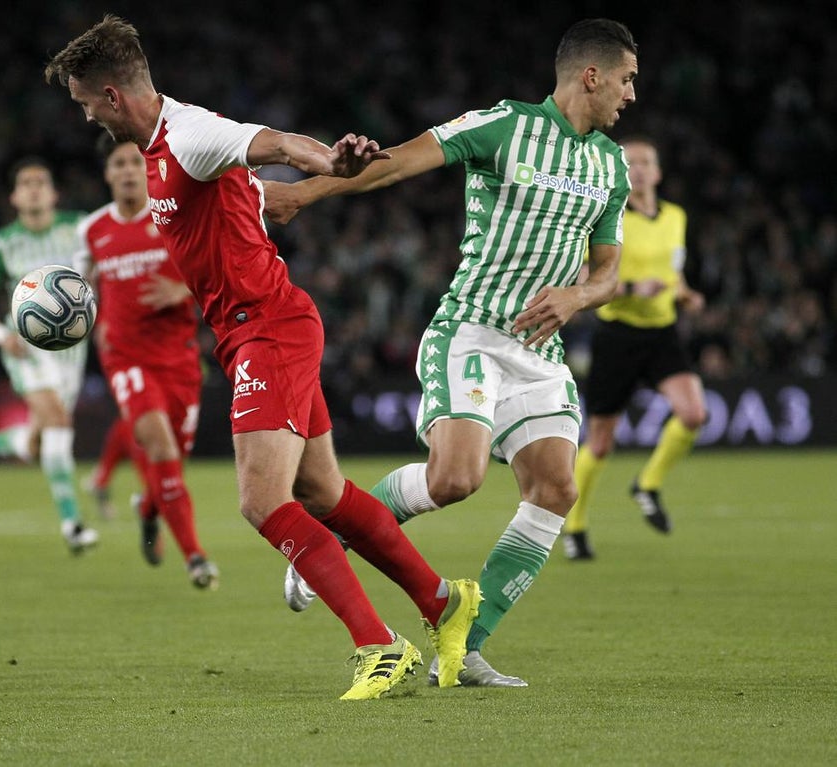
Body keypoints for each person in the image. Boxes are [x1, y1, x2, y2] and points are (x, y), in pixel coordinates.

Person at [45, 14, 481, 700]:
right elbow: (268, 197)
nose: (84, 118)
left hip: (268, 329)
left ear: (111, 95)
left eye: (83, 104)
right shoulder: (165, 153)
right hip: (262, 329)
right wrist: (298, 192)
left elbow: (274, 142)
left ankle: (378, 644)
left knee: (259, 498)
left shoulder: (189, 134)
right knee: (324, 494)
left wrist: (327, 160)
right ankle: (443, 602)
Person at [265, 18, 638, 687]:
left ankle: (463, 648)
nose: (631, 95)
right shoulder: (504, 126)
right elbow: (398, 162)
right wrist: (300, 193)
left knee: (555, 488)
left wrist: (578, 298)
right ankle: (333, 537)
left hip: (541, 349)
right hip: (471, 331)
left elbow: (609, 271)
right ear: (593, 75)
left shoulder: (610, 165)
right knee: (455, 479)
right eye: (627, 79)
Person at [74, 133, 217, 588]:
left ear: (147, 168)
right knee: (160, 448)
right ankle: (196, 558)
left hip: (179, 359)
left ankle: (148, 509)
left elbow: (213, 268)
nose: (128, 171)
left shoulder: (172, 214)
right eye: (118, 164)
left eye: (135, 162)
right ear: (108, 174)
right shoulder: (93, 230)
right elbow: (79, 292)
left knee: (171, 464)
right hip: (125, 358)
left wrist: (182, 290)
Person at [562, 136, 707, 560]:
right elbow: (585, 275)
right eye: (631, 162)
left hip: (662, 333)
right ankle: (575, 525)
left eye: (646, 162)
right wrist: (630, 288)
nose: (639, 169)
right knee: (601, 443)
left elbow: (672, 271)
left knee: (694, 413)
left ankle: (647, 484)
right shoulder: (609, 218)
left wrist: (685, 294)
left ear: (658, 172)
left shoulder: (676, 217)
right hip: (618, 335)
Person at [0, 158, 98, 554]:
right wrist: (0, 334)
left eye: (41, 182)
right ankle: (73, 524)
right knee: (58, 419)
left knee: (38, 443)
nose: (34, 188)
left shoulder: (81, 228)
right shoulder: (1, 243)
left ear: (54, 194)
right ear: (15, 196)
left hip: (71, 350)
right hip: (24, 348)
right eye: (26, 183)